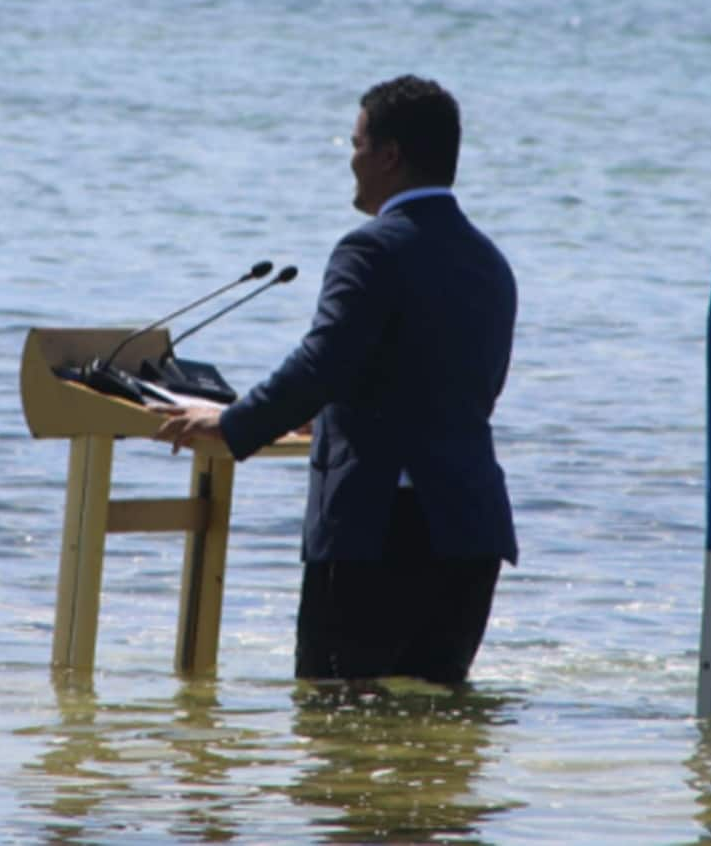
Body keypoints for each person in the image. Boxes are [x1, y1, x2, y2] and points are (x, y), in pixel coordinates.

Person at [154, 74, 518, 684]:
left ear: (389, 155)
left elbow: (321, 362)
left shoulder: (370, 249)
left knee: (334, 731)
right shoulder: (490, 260)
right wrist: (330, 414)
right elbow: (448, 387)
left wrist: (233, 421)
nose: (350, 160)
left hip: (381, 532)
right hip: (469, 532)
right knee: (432, 752)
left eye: (355, 145)